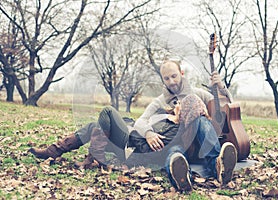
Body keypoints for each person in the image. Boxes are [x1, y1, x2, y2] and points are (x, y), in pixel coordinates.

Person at [29, 60, 235, 188]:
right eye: (167, 78)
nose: (171, 81)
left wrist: (221, 87)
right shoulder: (159, 103)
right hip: (150, 143)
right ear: (163, 81)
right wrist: (148, 133)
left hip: (184, 138)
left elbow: (228, 106)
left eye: (174, 76)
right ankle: (56, 151)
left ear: (181, 74)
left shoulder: (194, 96)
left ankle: (215, 165)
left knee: (177, 150)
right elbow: (142, 121)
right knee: (96, 124)